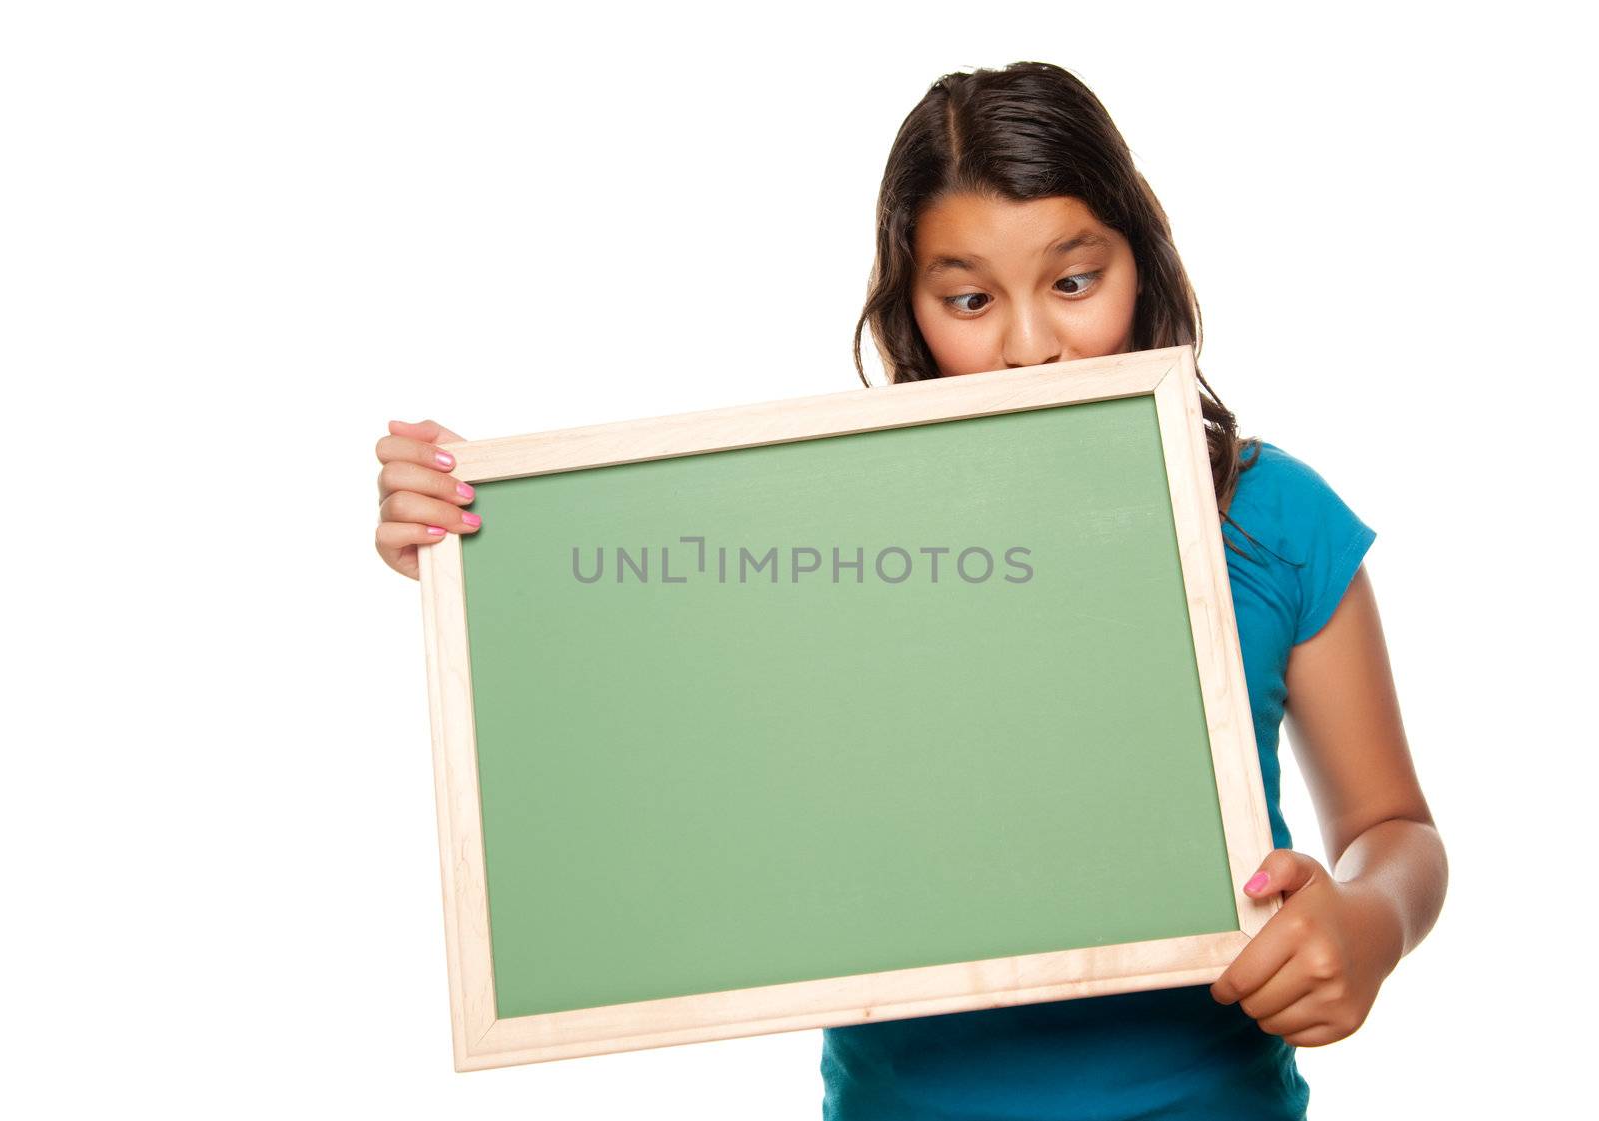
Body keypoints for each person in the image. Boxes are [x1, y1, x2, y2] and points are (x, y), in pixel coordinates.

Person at [373, 60, 1446, 1121]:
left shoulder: (1275, 517)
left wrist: (1369, 920)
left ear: (1143, 263)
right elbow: (650, 680)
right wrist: (483, 538)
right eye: (970, 299)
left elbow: (1393, 824)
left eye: (1074, 281)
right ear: (911, 308)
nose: (1031, 346)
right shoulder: (835, 527)